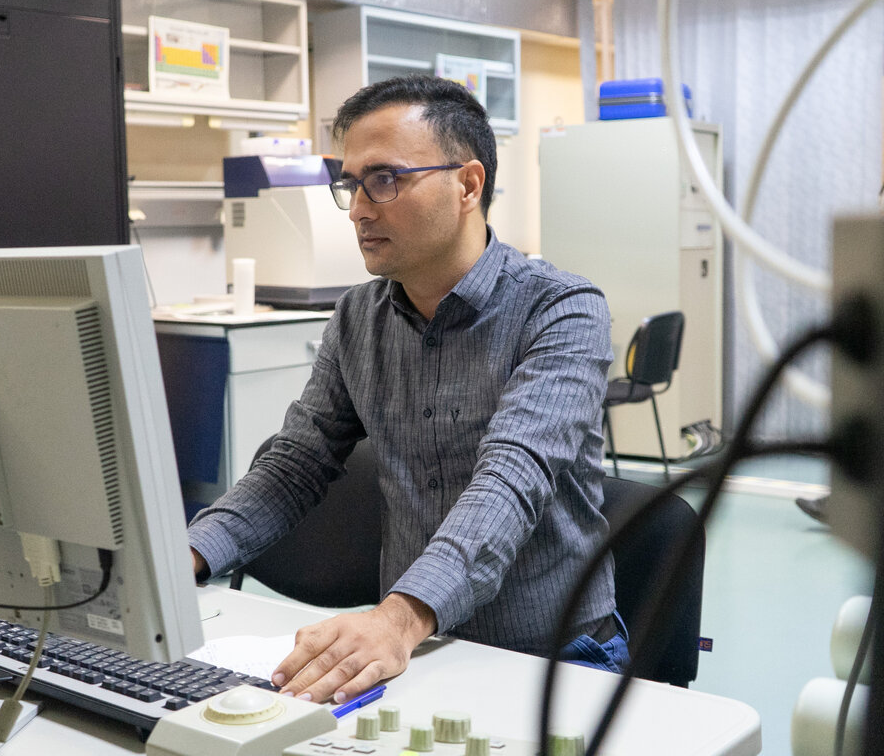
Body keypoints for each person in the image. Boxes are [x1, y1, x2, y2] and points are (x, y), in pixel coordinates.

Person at [187, 74, 625, 705]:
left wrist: (397, 620)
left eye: (386, 179)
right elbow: (295, 465)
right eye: (351, 185)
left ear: (467, 185)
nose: (360, 210)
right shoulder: (357, 318)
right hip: (421, 651)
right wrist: (186, 556)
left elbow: (511, 480)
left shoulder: (560, 310)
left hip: (554, 659)